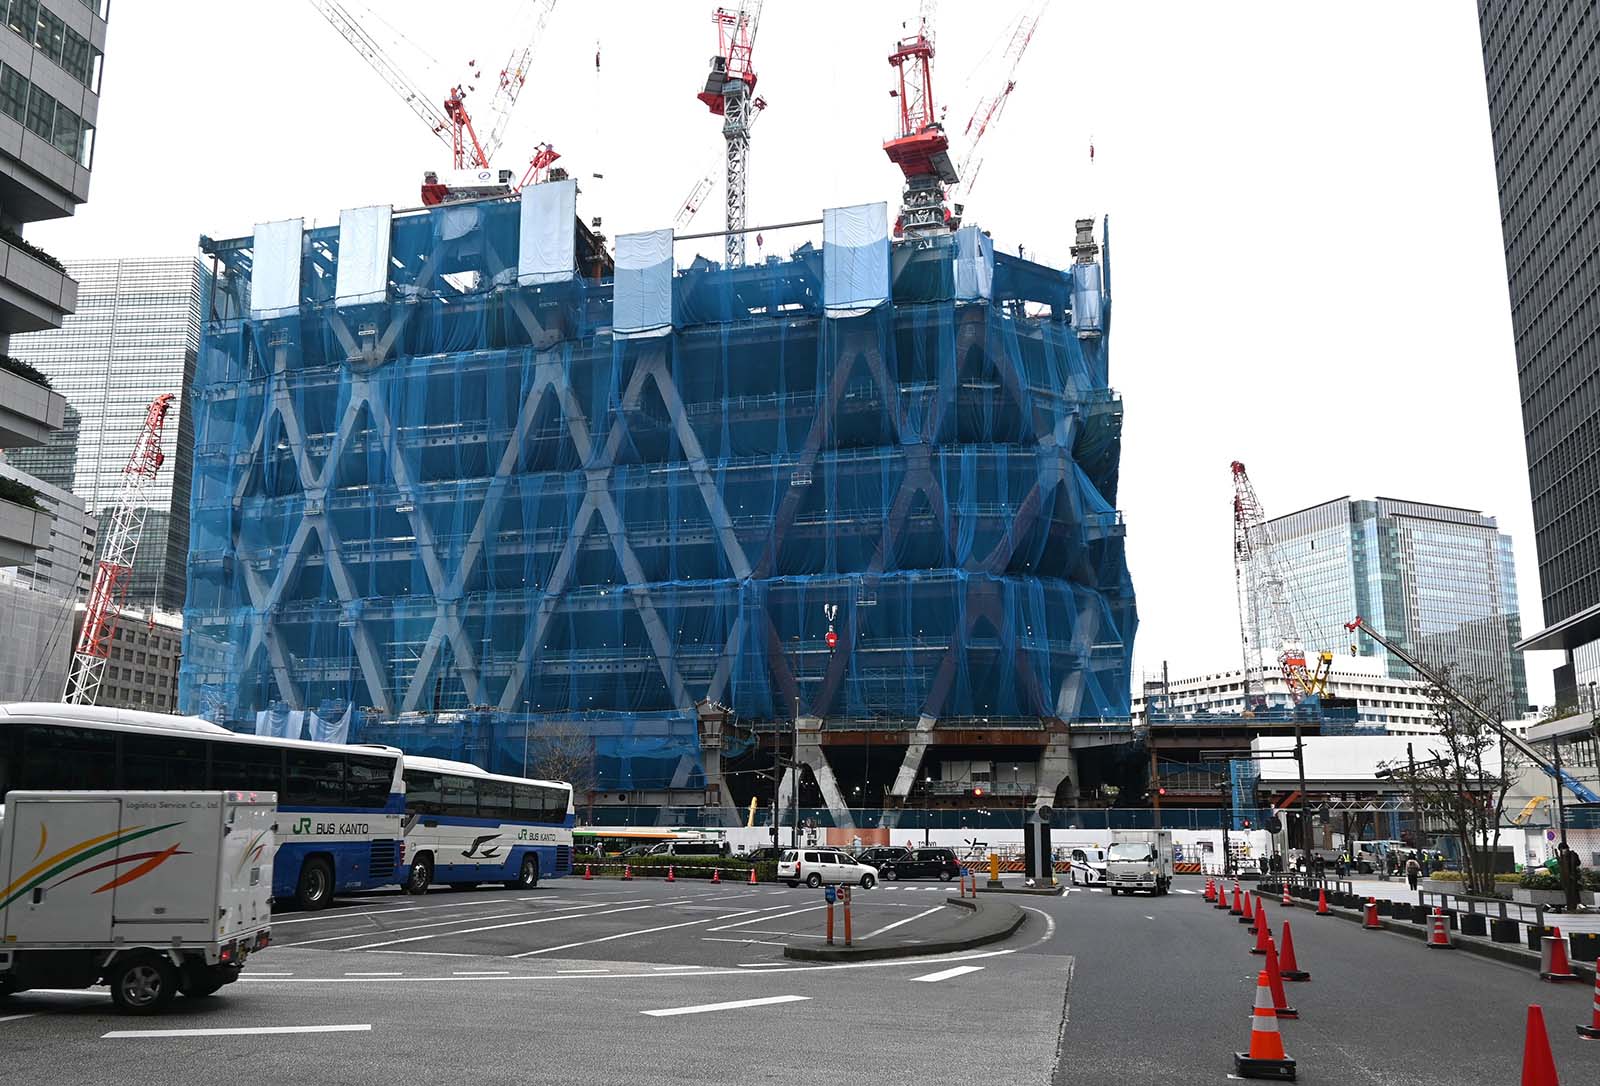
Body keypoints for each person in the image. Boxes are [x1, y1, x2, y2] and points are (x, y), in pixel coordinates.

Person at [1557, 843, 1583, 912]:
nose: (1562, 851)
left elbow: (1577, 863)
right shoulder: (1565, 856)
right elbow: (1578, 863)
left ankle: (1573, 906)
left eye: (1562, 849)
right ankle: (1573, 906)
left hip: (1569, 876)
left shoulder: (1570, 855)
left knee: (1571, 891)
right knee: (1571, 891)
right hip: (1569, 877)